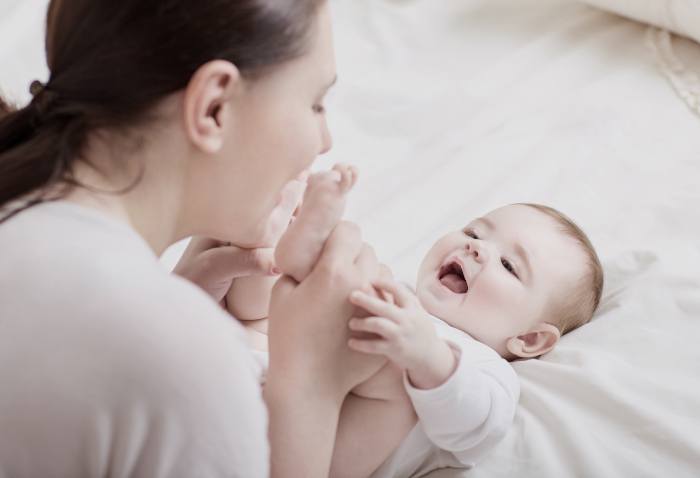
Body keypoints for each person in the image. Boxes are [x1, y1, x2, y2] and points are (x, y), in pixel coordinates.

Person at [0, 1, 388, 477]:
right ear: (214, 106)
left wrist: (174, 301)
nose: (324, 140)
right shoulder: (181, 357)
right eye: (315, 103)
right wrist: (310, 384)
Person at [231, 165, 604, 477]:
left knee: (388, 366)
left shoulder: (483, 367)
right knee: (265, 300)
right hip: (252, 378)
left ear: (531, 340)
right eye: (474, 232)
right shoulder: (394, 287)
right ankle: (289, 246)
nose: (477, 247)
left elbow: (473, 426)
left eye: (509, 265)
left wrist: (426, 355)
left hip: (305, 454)